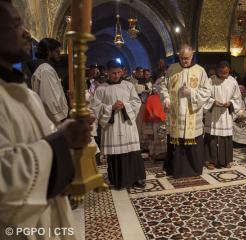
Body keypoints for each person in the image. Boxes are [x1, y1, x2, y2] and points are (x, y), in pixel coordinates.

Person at [0, 1, 93, 239]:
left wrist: (63, 133)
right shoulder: (42, 73)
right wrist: (63, 138)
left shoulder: (23, 92)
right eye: (16, 23)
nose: (27, 32)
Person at [92, 60, 146, 188]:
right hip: (112, 126)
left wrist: (124, 106)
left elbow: (136, 102)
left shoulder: (128, 86)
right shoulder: (101, 89)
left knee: (132, 152)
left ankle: (137, 178)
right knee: (115, 154)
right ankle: (118, 180)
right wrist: (111, 107)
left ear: (122, 71)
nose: (116, 75)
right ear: (107, 72)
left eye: (118, 72)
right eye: (113, 73)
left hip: (127, 124)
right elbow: (95, 107)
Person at [160, 44, 211, 178]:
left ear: (192, 56)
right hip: (176, 115)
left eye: (187, 58)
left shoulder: (200, 71)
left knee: (192, 144)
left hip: (192, 115)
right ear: (179, 56)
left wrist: (192, 92)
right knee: (175, 143)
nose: (184, 61)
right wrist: (165, 98)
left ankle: (193, 169)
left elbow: (207, 92)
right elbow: (163, 86)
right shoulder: (172, 69)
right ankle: (175, 168)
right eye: (182, 58)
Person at [204, 61, 241, 169]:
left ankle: (226, 160)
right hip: (213, 112)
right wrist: (213, 102)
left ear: (229, 70)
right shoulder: (210, 81)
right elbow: (204, 96)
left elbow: (237, 98)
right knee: (212, 136)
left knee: (226, 137)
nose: (223, 75)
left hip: (225, 112)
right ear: (217, 71)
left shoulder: (233, 81)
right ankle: (211, 161)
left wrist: (230, 103)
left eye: (225, 73)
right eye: (221, 72)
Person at [31, 38, 69, 125]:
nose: (59, 54)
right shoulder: (46, 70)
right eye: (57, 51)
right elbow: (50, 101)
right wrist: (61, 123)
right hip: (54, 122)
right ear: (48, 52)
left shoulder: (45, 68)